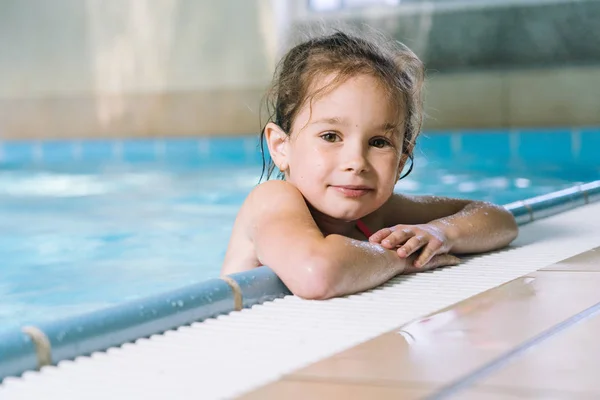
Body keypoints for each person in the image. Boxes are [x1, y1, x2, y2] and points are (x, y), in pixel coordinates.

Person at [220, 30, 518, 300]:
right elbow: (318, 275)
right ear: (281, 146)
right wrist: (401, 257)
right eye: (330, 136)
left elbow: (497, 218)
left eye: (378, 142)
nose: (356, 162)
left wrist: (440, 235)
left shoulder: (379, 213)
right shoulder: (271, 201)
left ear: (402, 160)